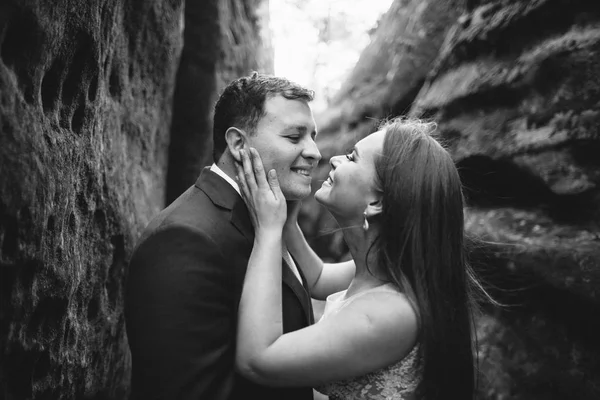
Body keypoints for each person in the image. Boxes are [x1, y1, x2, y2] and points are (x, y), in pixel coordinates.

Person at [234, 117, 491, 400]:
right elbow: (318, 278)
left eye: (352, 158)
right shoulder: (381, 269)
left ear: (376, 203)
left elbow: (257, 360)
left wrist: (268, 230)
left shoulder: (391, 313)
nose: (333, 159)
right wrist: (288, 222)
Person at [124, 72, 321, 400]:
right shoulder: (183, 240)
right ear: (238, 143)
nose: (315, 151)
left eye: (313, 135)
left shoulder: (267, 216)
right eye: (294, 136)